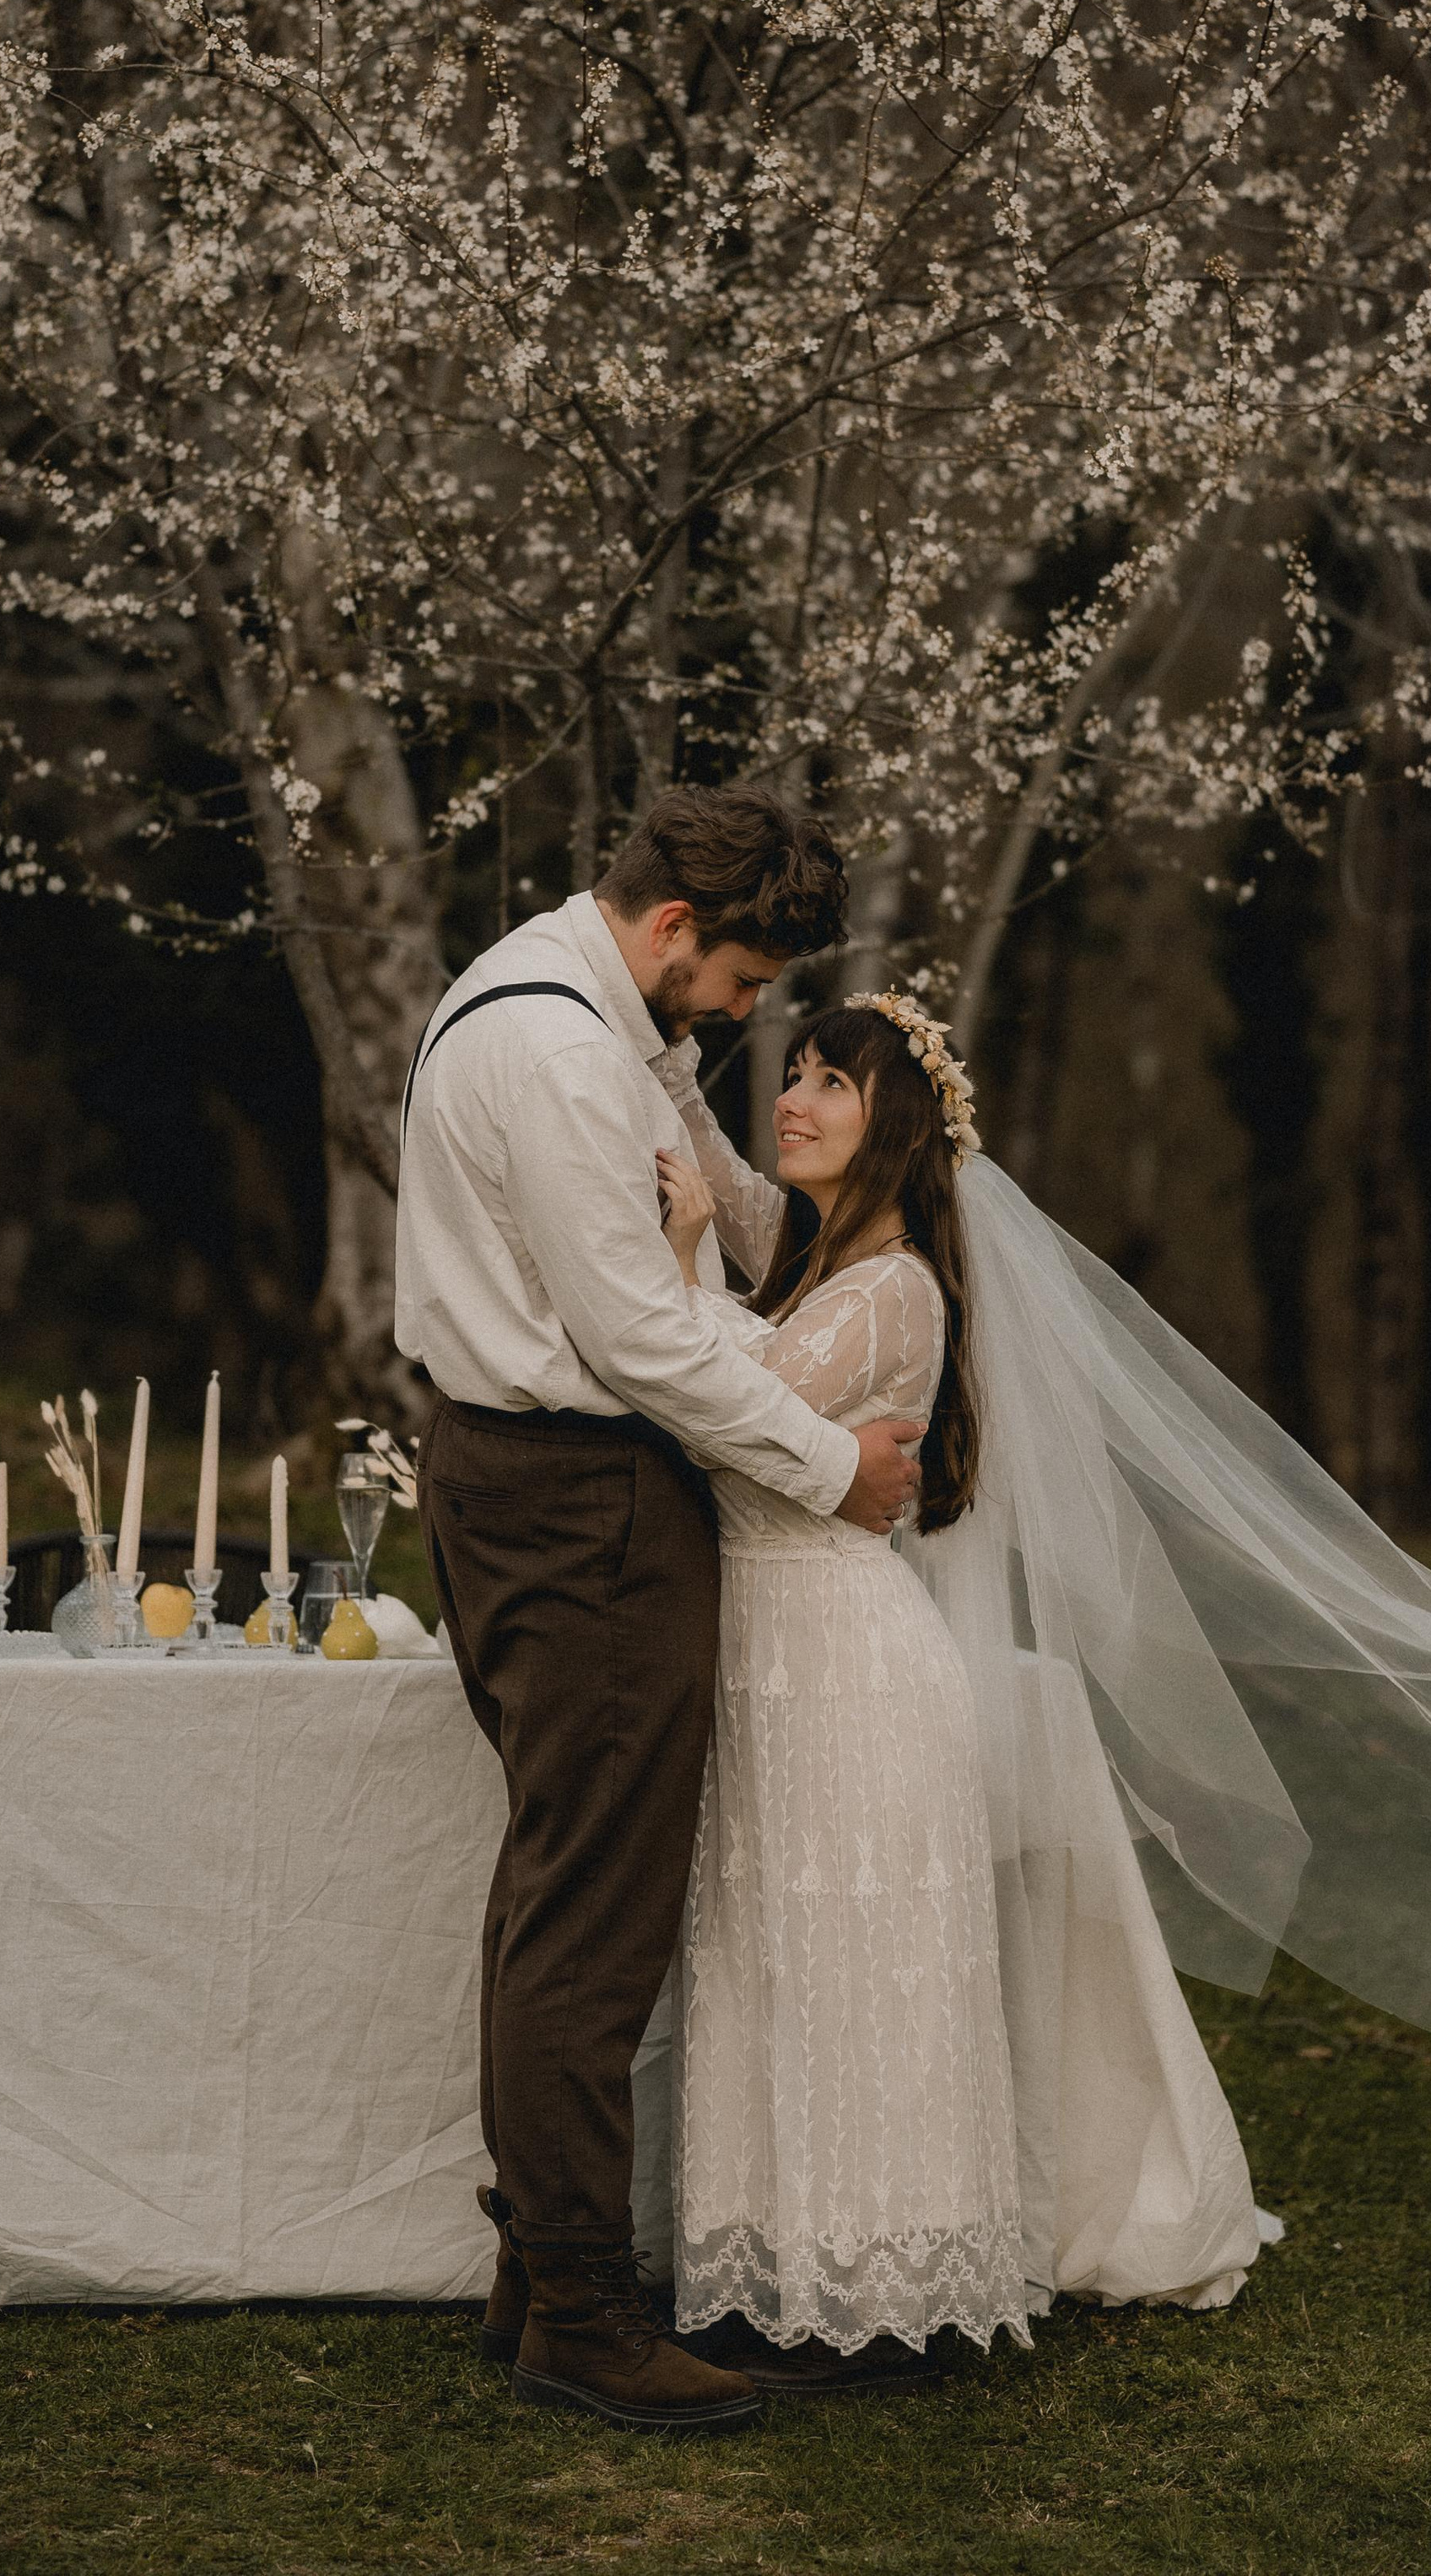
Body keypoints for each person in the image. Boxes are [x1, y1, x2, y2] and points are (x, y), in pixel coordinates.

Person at [394, 787, 926, 2433]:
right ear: (675, 927)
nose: (753, 1011)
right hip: (582, 1500)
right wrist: (827, 1461)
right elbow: (637, 1340)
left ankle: (532, 2271)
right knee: (593, 1917)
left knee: (555, 1879)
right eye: (747, 974)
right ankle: (582, 2313)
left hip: (509, 1475)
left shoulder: (523, 992)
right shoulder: (559, 1054)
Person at [651, 994, 1262, 2390]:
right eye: (790, 1073)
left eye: (827, 1084)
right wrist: (680, 1069)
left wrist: (682, 1257)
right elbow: (748, 1217)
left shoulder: (895, 1291)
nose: (792, 1099)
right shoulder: (818, 1267)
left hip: (853, 1671)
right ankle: (777, 2271)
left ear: (899, 1124)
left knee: (859, 1970)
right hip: (769, 1662)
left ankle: (888, 2288)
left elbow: (717, 1402)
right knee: (767, 1963)